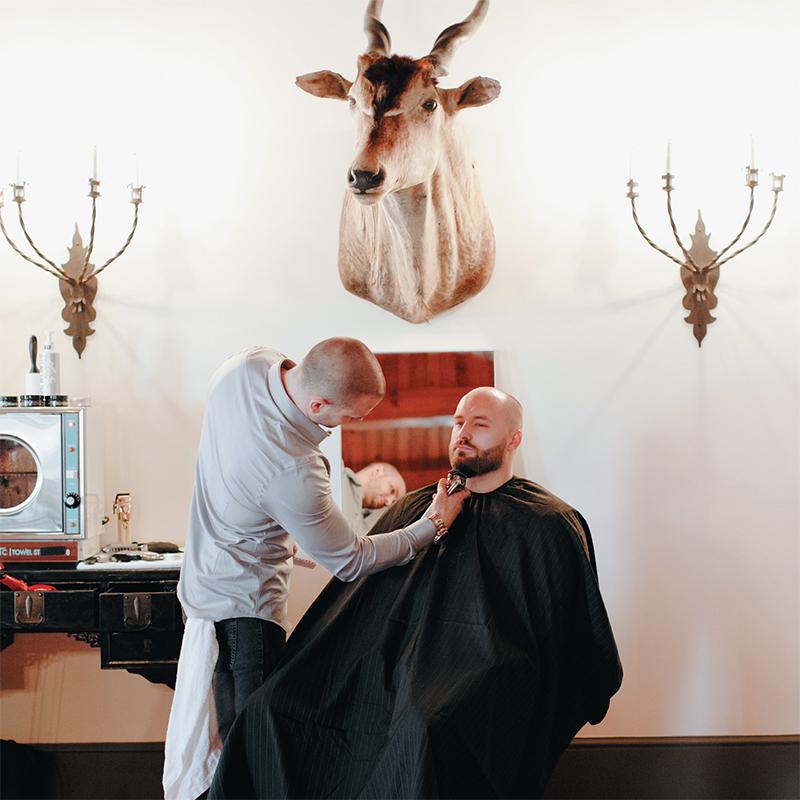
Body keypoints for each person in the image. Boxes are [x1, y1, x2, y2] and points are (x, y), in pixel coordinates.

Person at [208, 387, 623, 800]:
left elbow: (571, 639)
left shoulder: (547, 522)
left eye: (479, 424)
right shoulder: (411, 511)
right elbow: (351, 603)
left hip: (476, 676)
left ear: (514, 439)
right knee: (270, 708)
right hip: (382, 667)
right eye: (458, 422)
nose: (463, 432)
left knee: (425, 726)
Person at [162, 339, 469, 800]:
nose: (349, 426)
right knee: (256, 754)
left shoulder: (241, 369)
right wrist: (433, 524)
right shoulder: (294, 470)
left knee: (230, 747)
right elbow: (352, 560)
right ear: (318, 403)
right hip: (246, 618)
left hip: (199, 593)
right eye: (347, 417)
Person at [342, 461, 407, 536]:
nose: (388, 503)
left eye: (393, 502)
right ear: (377, 471)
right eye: (392, 490)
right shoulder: (334, 468)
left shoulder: (366, 532)